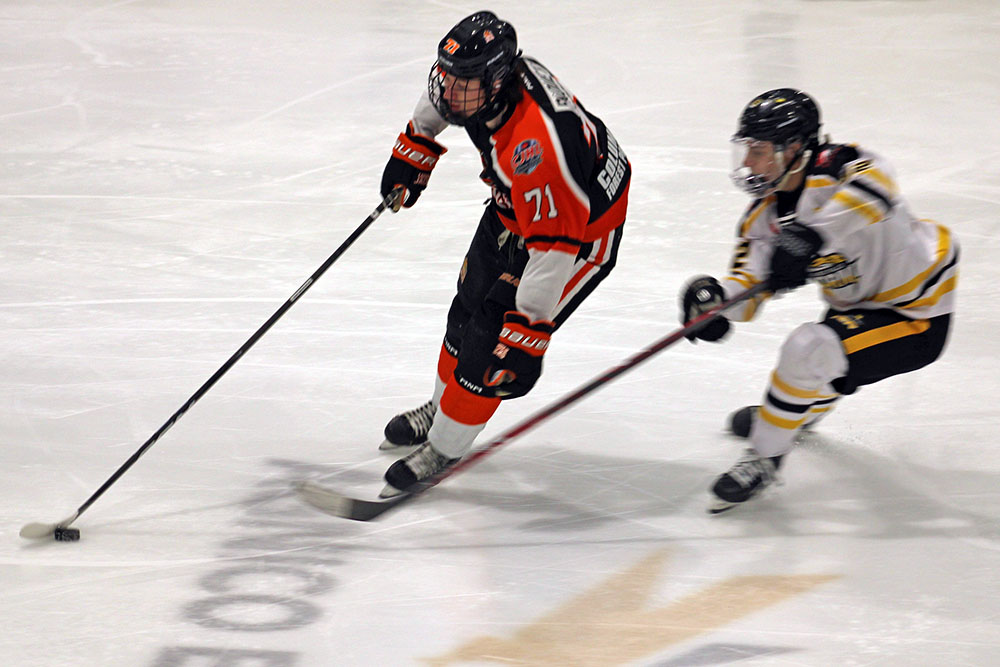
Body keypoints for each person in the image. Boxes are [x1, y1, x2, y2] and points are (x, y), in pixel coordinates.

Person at [376, 11, 631, 497]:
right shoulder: (486, 89)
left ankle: (444, 447)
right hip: (517, 207)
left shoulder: (539, 146)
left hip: (576, 236)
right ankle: (443, 409)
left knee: (491, 343)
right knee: (465, 312)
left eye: (463, 82)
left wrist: (529, 330)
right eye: (446, 76)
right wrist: (416, 143)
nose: (448, 91)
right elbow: (444, 98)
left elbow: (553, 249)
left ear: (495, 81)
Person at [681, 88, 959, 514]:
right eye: (746, 150)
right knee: (821, 354)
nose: (748, 163)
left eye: (758, 151)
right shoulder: (763, 217)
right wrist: (716, 303)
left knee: (809, 348)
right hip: (855, 301)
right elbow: (748, 288)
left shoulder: (840, 166)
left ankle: (765, 457)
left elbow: (878, 186)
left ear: (794, 148)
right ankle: (795, 414)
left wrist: (813, 235)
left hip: (916, 311)